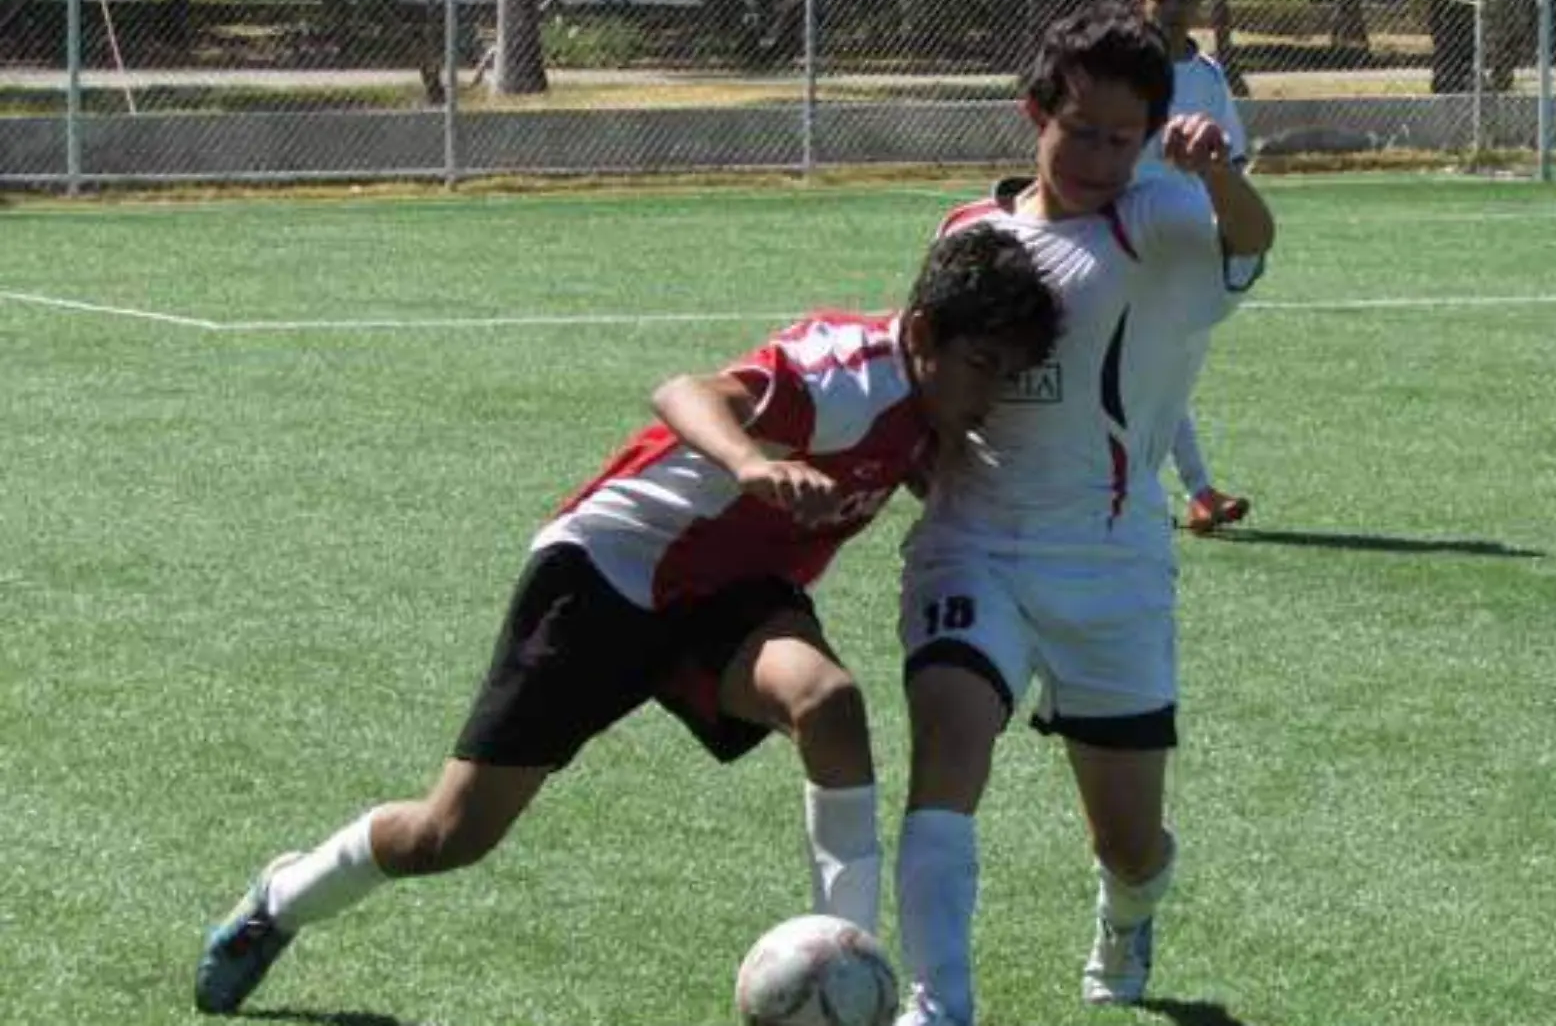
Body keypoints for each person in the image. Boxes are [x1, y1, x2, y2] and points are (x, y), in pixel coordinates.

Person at [191, 224, 1063, 1016]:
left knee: (828, 701)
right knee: (447, 834)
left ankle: (847, 971)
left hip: (731, 592)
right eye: (986, 366)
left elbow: (921, 467)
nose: (997, 392)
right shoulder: (854, 374)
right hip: (609, 571)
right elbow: (682, 391)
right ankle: (283, 897)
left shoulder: (937, 409)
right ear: (921, 339)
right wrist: (752, 462)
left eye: (1010, 373)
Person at [892, 0, 1274, 1026]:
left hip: (1109, 570)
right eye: (1081, 131)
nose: (1102, 156)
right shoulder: (968, 232)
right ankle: (939, 1007)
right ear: (1033, 112)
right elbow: (925, 363)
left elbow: (1252, 240)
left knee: (1126, 840)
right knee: (945, 757)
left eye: (1124, 138)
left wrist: (1220, 173)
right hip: (970, 544)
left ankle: (1127, 905)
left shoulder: (1158, 222)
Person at [1136, 0, 1257, 534]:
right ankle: (1177, 490)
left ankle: (1192, 491)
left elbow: (1233, 153)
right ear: (1143, 1)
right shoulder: (1125, 69)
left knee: (1173, 369)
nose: (1174, 6)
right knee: (1154, 368)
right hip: (1132, 233)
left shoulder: (1207, 74)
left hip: (1192, 240)